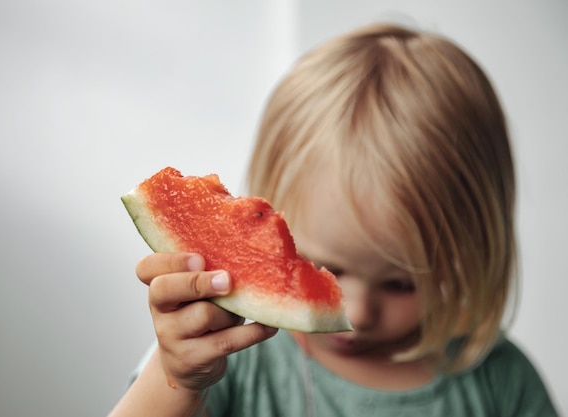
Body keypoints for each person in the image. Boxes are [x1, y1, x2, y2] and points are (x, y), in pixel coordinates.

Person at [108, 23, 559, 416]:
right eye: (326, 267)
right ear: (271, 222)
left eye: (404, 283)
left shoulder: (500, 380)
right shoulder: (224, 356)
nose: (357, 313)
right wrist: (177, 380)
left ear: (473, 251)